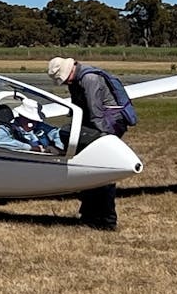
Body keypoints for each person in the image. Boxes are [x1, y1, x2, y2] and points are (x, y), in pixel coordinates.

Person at [48, 57, 130, 230]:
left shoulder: (89, 79)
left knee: (102, 173)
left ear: (69, 70)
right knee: (85, 168)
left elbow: (96, 113)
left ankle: (106, 221)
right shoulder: (75, 80)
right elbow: (78, 109)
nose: (64, 83)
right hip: (94, 126)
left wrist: (103, 140)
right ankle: (89, 215)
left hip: (107, 127)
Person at [0, 98, 65, 153]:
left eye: (34, 120)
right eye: (29, 119)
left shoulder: (40, 126)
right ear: (21, 116)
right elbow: (0, 142)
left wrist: (58, 148)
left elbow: (55, 132)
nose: (33, 123)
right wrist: (31, 148)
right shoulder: (8, 128)